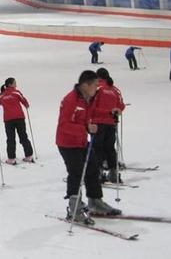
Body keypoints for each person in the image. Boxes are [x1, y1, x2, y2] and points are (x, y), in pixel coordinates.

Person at [56, 70, 120, 224]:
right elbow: (64, 125)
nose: (97, 88)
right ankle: (74, 207)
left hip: (82, 142)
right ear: (86, 85)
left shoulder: (88, 99)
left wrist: (109, 112)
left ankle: (95, 201)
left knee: (92, 168)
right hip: (67, 143)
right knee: (76, 172)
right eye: (95, 85)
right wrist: (84, 129)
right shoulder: (71, 100)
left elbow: (94, 112)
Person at [91, 68, 125, 183]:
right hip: (111, 123)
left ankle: (98, 172)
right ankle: (113, 172)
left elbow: (90, 103)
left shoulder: (96, 88)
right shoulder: (115, 90)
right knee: (110, 148)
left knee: (97, 147)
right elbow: (121, 105)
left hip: (97, 122)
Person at [0, 78, 34, 164]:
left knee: (10, 139)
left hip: (8, 120)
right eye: (14, 83)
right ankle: (29, 156)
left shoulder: (1, 95)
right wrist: (26, 105)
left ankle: (11, 158)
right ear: (10, 84)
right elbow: (24, 100)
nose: (16, 85)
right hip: (20, 118)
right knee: (23, 136)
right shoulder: (16, 92)